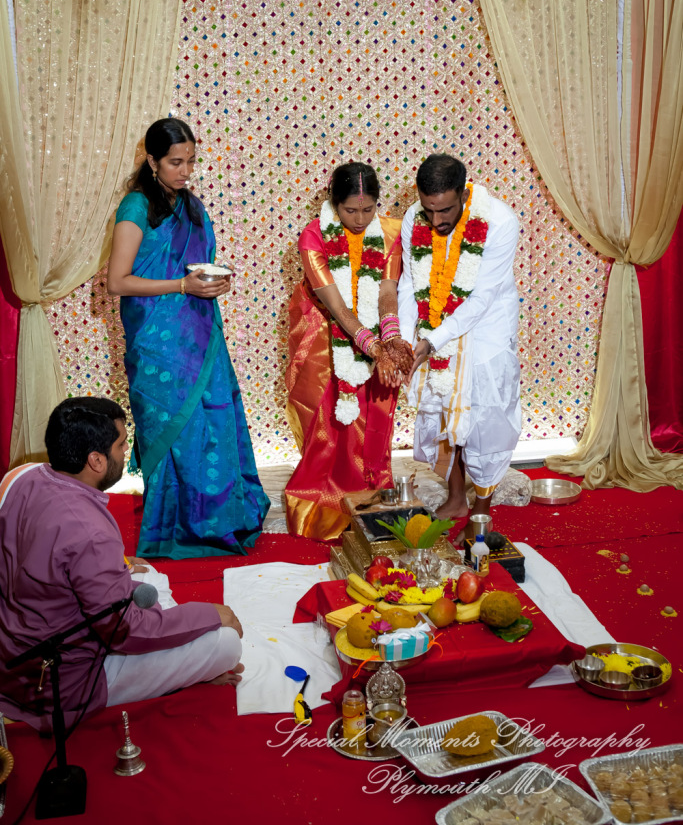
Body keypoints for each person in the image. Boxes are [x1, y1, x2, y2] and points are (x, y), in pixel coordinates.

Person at [0, 398, 244, 732]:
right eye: (121, 444)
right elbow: (126, 632)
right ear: (96, 460)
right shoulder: (89, 533)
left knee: (146, 573)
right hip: (64, 679)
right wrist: (212, 614)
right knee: (226, 642)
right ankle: (185, 668)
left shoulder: (19, 476)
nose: (127, 450)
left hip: (13, 653)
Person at [107, 117, 270, 558]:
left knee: (215, 423)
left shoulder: (192, 207)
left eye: (191, 162)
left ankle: (219, 520)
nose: (185, 171)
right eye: (175, 162)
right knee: (176, 431)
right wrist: (182, 286)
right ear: (152, 160)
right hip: (158, 345)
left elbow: (197, 266)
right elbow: (118, 282)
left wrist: (213, 283)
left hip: (201, 334)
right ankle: (175, 527)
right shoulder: (136, 207)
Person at [285, 162, 413, 540]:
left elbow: (387, 290)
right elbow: (339, 308)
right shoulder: (314, 236)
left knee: (376, 406)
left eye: (368, 209)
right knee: (328, 417)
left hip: (373, 325)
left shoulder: (389, 233)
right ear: (333, 204)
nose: (359, 219)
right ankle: (326, 502)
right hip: (324, 330)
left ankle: (372, 494)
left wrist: (390, 338)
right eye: (350, 210)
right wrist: (372, 346)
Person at [398, 153, 521, 529]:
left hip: (487, 330)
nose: (436, 220)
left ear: (464, 194)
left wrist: (431, 342)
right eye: (428, 209)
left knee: (484, 414)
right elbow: (409, 284)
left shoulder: (500, 222)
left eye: (446, 210)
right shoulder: (413, 219)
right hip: (434, 325)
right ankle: (456, 496)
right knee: (442, 404)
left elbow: (481, 298)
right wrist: (405, 342)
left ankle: (482, 504)